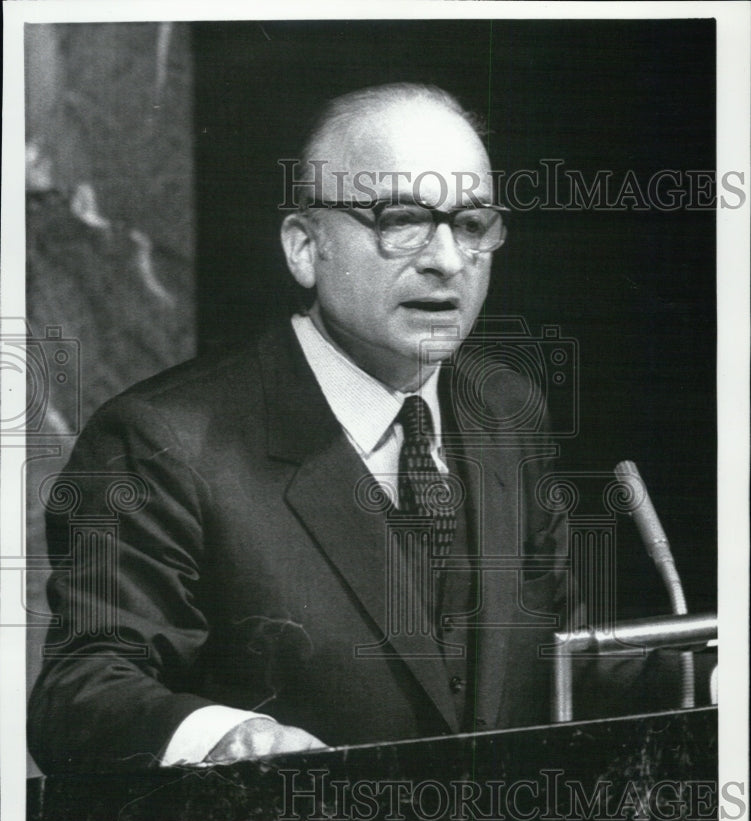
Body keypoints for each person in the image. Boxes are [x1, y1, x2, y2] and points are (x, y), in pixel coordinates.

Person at [28, 83, 572, 774]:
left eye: (470, 225)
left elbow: (559, 659)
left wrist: (706, 680)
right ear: (304, 248)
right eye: (400, 218)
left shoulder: (507, 415)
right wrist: (226, 738)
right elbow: (80, 696)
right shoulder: (160, 438)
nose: (446, 259)